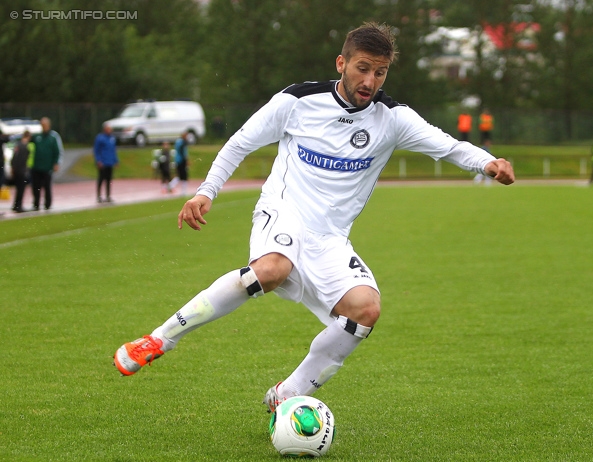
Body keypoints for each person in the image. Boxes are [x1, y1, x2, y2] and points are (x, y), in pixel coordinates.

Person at [113, 22, 515, 413]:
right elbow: (239, 143)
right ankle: (159, 339)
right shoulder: (297, 102)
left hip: (330, 238)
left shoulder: (393, 118)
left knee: (364, 309)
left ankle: (287, 393)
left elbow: (448, 146)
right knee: (270, 269)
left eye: (380, 72)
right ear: (341, 63)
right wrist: (206, 191)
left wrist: (488, 162)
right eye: (363, 68)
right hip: (283, 210)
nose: (370, 81)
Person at [30, 117, 60, 211]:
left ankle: (47, 204)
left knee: (47, 187)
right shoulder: (36, 136)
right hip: (36, 166)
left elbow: (56, 151)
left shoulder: (52, 138)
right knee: (36, 187)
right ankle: (36, 204)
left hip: (47, 167)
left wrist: (56, 163)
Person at [93, 124, 119, 203]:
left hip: (110, 162)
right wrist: (98, 160)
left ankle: (108, 196)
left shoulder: (112, 138)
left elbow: (114, 151)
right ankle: (99, 196)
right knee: (101, 179)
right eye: (108, 129)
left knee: (109, 180)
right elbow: (96, 150)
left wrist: (116, 160)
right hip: (103, 162)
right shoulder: (100, 138)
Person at [11, 130, 34, 213]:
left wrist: (13, 167)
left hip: (16, 169)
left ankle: (16, 204)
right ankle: (18, 205)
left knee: (18, 188)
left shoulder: (18, 144)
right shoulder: (25, 146)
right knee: (21, 189)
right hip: (22, 169)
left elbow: (14, 157)